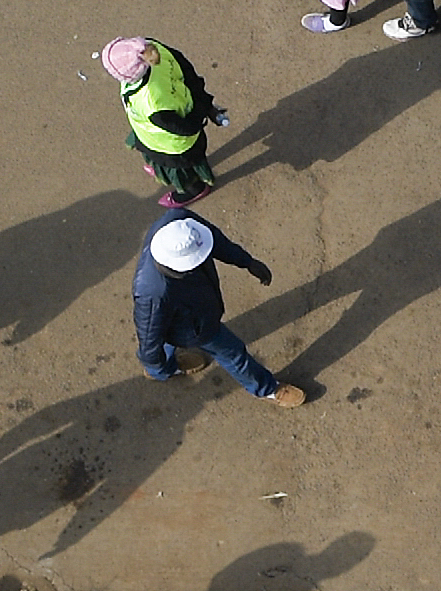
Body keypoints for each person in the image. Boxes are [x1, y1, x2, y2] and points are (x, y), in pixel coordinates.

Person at [131, 211, 304, 405]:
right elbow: (148, 335)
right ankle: (267, 389)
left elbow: (214, 239)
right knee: (233, 353)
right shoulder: (152, 292)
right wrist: (153, 361)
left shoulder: (180, 223)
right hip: (194, 327)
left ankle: (162, 369)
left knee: (165, 334)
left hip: (189, 310)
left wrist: (246, 261)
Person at [101, 35, 224, 206]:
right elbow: (186, 69)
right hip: (174, 120)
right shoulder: (153, 47)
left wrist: (201, 113)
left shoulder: (152, 103)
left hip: (171, 146)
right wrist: (204, 103)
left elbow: (185, 128)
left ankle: (194, 190)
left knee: (180, 170)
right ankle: (162, 169)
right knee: (162, 155)